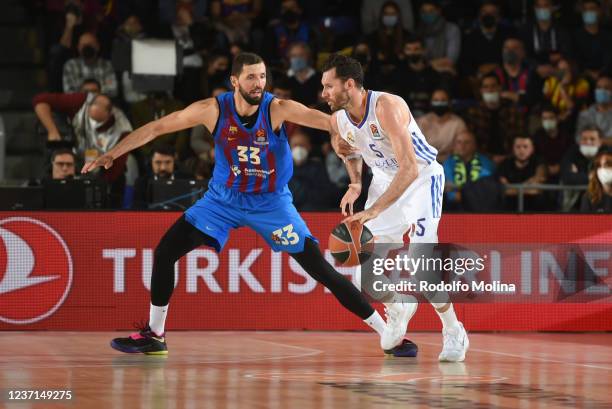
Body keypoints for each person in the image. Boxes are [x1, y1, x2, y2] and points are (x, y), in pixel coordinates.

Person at [82, 53, 390, 356]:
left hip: (271, 204)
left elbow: (335, 125)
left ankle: (389, 334)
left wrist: (343, 151)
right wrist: (114, 152)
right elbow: (157, 128)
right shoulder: (212, 110)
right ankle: (155, 335)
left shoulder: (278, 109)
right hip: (222, 200)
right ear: (234, 81)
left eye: (263, 76)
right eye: (251, 77)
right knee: (164, 253)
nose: (259, 84)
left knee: (320, 269)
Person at [321, 53, 469, 362]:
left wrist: (374, 210)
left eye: (329, 86)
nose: (324, 94)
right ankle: (399, 304)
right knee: (363, 272)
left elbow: (410, 169)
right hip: (384, 183)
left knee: (421, 269)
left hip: (420, 179)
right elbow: (347, 147)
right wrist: (355, 184)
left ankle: (454, 330)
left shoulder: (387, 106)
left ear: (349, 84)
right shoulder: (337, 118)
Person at [416, 88, 467, 162]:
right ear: (431, 102)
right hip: (426, 162)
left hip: (451, 163)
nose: (439, 103)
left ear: (449, 102)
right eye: (436, 100)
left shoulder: (458, 123)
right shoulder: (422, 122)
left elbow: (461, 148)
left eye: (443, 100)